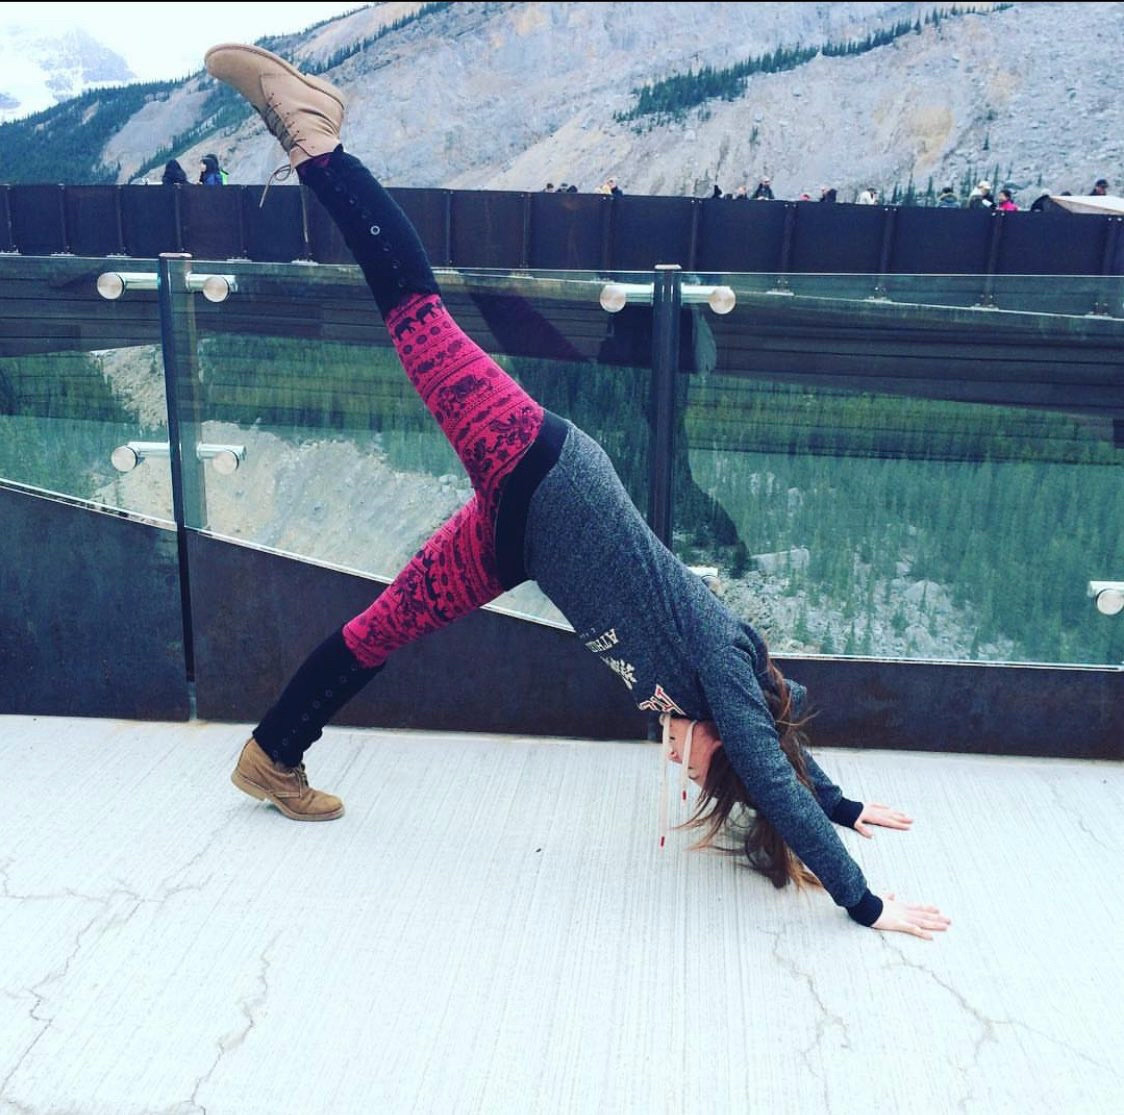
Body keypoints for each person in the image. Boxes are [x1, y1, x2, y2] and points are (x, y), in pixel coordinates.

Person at [204, 41, 951, 941]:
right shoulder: (719, 667)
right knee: (417, 314)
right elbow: (767, 759)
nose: (679, 760)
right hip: (541, 466)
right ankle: (315, 137)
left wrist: (843, 801)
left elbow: (780, 759)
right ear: (726, 733)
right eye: (699, 761)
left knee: (384, 624)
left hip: (517, 540)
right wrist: (866, 902)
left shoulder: (718, 707)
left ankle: (273, 754)